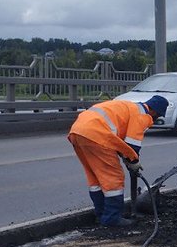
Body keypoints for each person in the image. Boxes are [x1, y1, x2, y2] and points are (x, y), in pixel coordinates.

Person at [68, 95, 168, 227]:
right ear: (154, 111)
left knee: (96, 178)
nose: (154, 120)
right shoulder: (142, 115)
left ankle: (101, 215)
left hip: (77, 132)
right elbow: (132, 144)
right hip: (97, 135)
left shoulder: (129, 107)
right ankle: (112, 218)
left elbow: (121, 143)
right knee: (114, 178)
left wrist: (128, 159)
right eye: (157, 116)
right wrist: (133, 161)